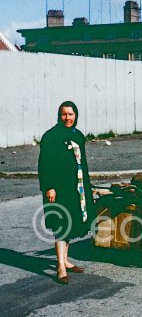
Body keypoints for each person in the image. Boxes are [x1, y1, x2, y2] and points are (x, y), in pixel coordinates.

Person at [38, 101, 92, 284]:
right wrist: (49, 187)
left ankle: (66, 260)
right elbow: (44, 165)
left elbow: (82, 165)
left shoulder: (79, 136)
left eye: (71, 114)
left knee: (71, 224)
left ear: (76, 116)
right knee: (61, 225)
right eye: (64, 114)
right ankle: (60, 267)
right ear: (58, 116)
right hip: (59, 189)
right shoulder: (51, 137)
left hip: (76, 189)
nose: (67, 118)